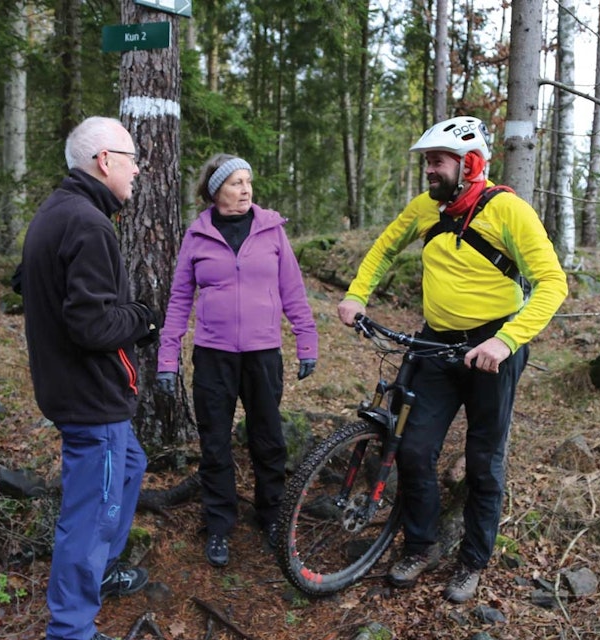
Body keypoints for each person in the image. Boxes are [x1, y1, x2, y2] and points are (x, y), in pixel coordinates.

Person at [336, 116, 567, 603]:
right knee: (414, 450)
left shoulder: (508, 210)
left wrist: (505, 342)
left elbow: (552, 283)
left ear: (471, 163)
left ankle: (472, 561)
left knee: (484, 461)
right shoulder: (425, 207)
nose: (429, 171)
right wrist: (357, 294)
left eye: (437, 161)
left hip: (493, 348)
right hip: (435, 345)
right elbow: (383, 248)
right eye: (427, 162)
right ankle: (420, 546)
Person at [20, 116, 159, 640]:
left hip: (73, 389)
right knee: (91, 511)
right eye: (131, 159)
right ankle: (70, 632)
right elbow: (92, 325)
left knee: (129, 465)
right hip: (89, 396)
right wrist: (143, 319)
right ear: (104, 160)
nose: (137, 169)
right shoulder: (89, 225)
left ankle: (100, 569)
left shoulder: (58, 212)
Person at [155, 154, 319, 568]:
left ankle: (272, 516)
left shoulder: (271, 231)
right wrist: (167, 359)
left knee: (268, 440)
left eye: (248, 182)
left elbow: (293, 291)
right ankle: (219, 524)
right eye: (236, 183)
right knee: (214, 444)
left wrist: (307, 341)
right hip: (213, 356)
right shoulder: (197, 236)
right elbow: (178, 302)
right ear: (215, 190)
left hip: (263, 354)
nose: (245, 190)